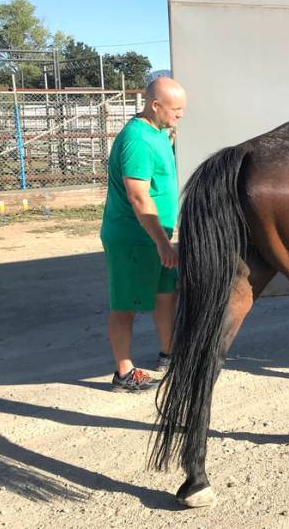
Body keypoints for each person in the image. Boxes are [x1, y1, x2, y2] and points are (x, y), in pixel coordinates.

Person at [100, 76, 186, 391]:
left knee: (166, 295)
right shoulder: (136, 140)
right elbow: (139, 197)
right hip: (134, 238)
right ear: (155, 105)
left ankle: (169, 354)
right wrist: (163, 244)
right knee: (124, 305)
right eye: (175, 109)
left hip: (154, 236)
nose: (180, 114)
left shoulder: (158, 131)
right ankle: (124, 373)